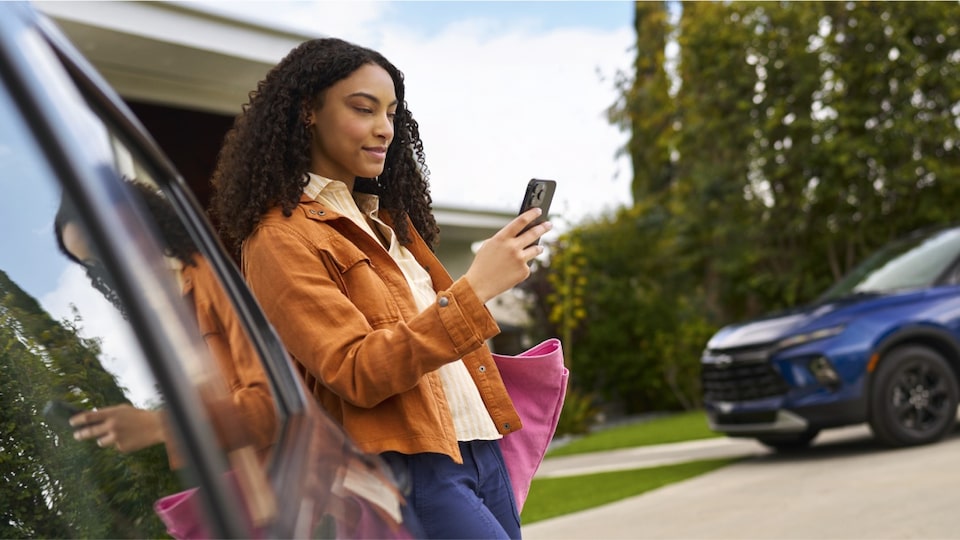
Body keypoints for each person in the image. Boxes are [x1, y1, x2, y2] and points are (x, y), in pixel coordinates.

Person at [210, 37, 551, 539]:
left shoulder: (387, 224)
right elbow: (354, 369)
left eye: (392, 113)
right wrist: (475, 288)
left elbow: (426, 338)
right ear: (308, 112)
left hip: (478, 446)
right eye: (363, 109)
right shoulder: (278, 238)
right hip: (411, 468)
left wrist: (476, 285)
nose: (384, 129)